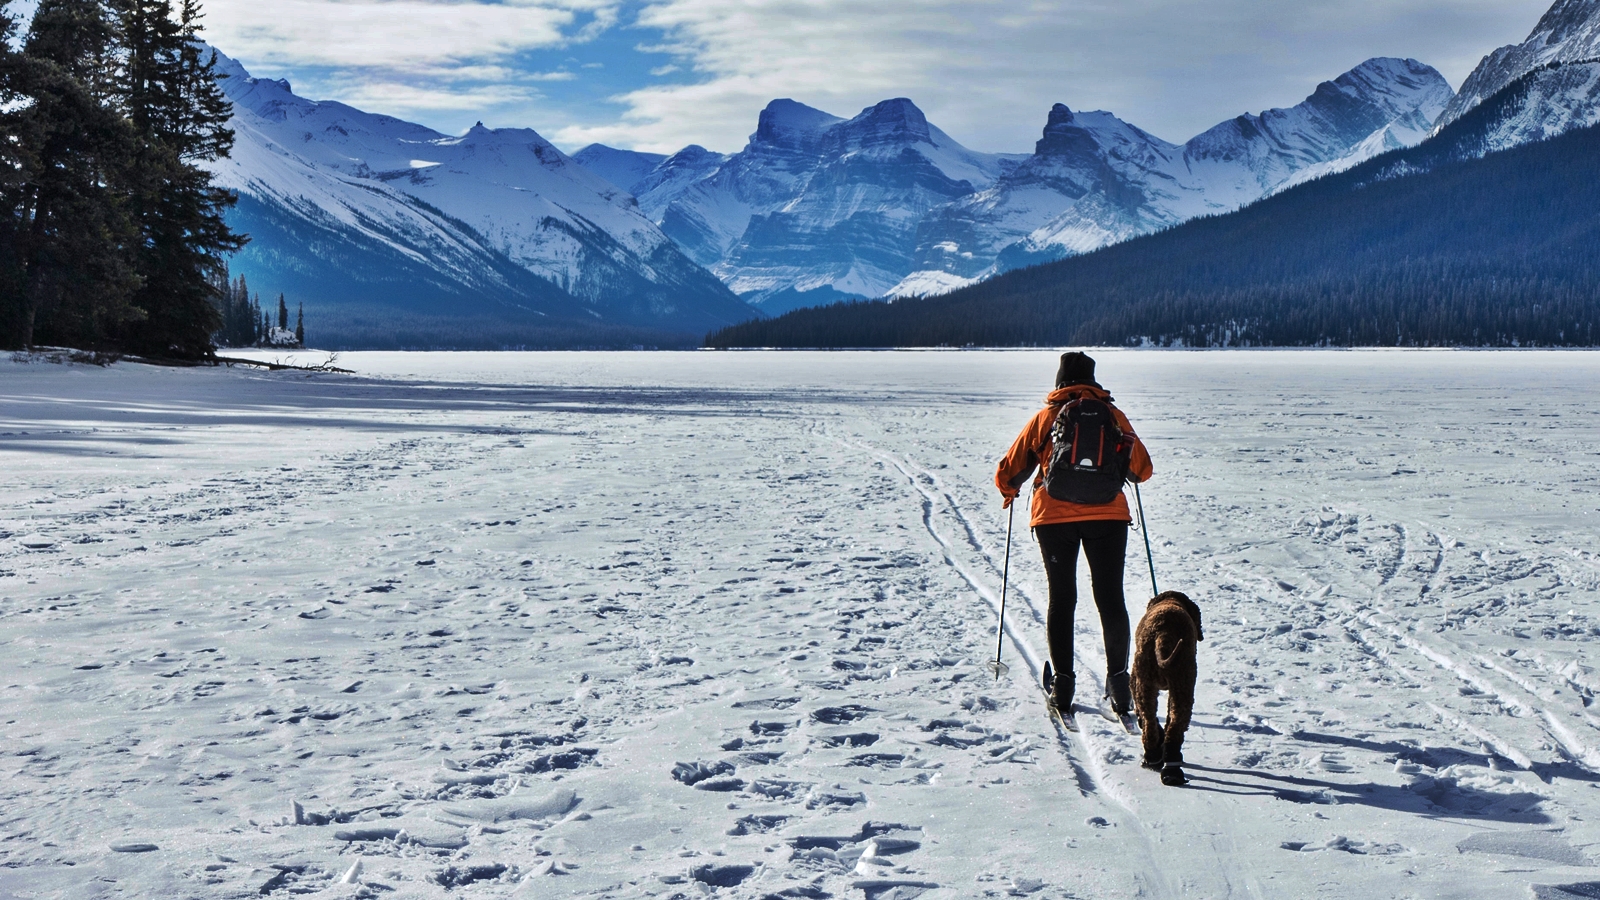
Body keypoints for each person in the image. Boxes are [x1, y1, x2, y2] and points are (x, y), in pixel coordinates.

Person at [994, 352, 1152, 715]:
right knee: (1111, 598)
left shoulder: (1046, 418)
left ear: (1059, 381)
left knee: (1062, 598)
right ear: (1093, 382)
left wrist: (1009, 492)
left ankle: (1063, 684)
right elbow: (1142, 470)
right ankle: (1119, 684)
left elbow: (1009, 470)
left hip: (1053, 519)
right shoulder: (1113, 416)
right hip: (1109, 517)